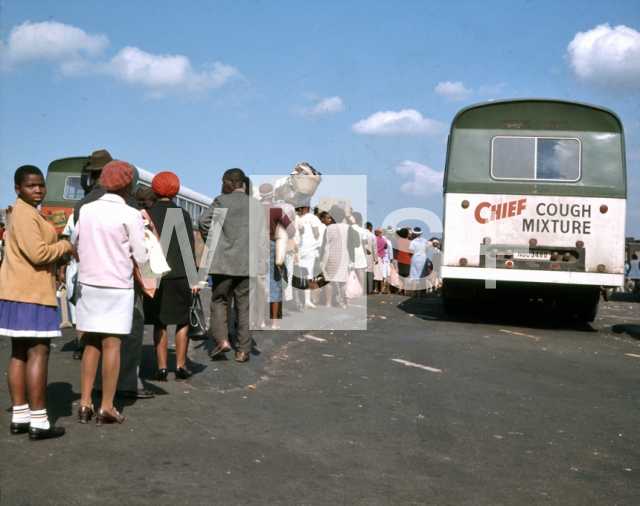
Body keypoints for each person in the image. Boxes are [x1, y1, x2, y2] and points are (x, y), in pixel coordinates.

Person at [1, 165, 74, 440]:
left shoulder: (18, 212)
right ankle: (39, 421)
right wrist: (66, 247)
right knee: (38, 354)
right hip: (33, 294)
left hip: (14, 292)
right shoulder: (27, 214)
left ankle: (20, 416)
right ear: (18, 189)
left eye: (41, 185)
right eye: (31, 186)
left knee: (19, 353)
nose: (38, 190)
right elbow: (39, 253)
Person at [75, 161, 149, 425]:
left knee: (91, 344)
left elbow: (76, 242)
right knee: (112, 345)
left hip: (89, 285)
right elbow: (141, 255)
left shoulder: (86, 210)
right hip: (118, 287)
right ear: (128, 185)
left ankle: (84, 404)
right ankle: (107, 407)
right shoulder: (131, 214)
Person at [199, 168, 268, 363]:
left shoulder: (222, 200)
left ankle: (222, 340)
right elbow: (262, 239)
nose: (222, 185)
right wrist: (261, 267)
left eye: (223, 181)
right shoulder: (256, 205)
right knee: (244, 307)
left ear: (232, 182)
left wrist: (213, 243)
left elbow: (204, 221)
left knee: (219, 300)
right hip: (248, 264)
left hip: (223, 263)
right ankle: (243, 351)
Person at [144, 172, 199, 381]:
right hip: (178, 275)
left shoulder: (146, 214)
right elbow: (187, 250)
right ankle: (181, 365)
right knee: (182, 320)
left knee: (160, 322)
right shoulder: (182, 215)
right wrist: (194, 279)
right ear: (175, 190)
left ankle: (161, 367)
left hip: (154, 276)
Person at [260, 183, 294, 328]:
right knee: (275, 282)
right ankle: (274, 322)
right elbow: (291, 229)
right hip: (273, 246)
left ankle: (260, 321)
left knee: (258, 283)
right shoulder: (277, 210)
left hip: (256, 247)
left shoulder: (254, 209)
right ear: (273, 194)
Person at [320, 206, 358, 308]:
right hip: (343, 257)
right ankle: (344, 303)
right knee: (343, 280)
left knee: (329, 280)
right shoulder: (348, 228)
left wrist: (320, 259)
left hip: (329, 257)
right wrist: (353, 260)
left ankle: (328, 302)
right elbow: (350, 246)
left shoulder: (328, 228)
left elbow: (323, 245)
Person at [296, 197, 322, 308]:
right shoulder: (312, 218)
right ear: (307, 207)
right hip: (310, 249)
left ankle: (297, 300)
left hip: (298, 249)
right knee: (308, 275)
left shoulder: (296, 217)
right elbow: (316, 233)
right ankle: (307, 301)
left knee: (297, 274)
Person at [408, 227, 431, 296]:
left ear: (414, 233)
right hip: (423, 259)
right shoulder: (425, 241)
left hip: (415, 258)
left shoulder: (412, 242)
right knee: (423, 276)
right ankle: (423, 292)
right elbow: (427, 250)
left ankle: (413, 292)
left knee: (414, 276)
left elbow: (411, 252)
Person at [350, 212, 368, 294]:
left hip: (351, 251)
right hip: (360, 251)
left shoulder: (349, 228)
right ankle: (361, 291)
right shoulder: (362, 230)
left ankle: (350, 290)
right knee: (360, 271)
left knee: (350, 270)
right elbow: (365, 241)